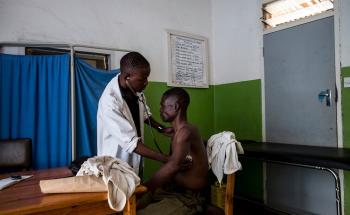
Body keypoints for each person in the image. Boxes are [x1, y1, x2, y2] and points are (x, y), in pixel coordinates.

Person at [97, 52, 173, 175]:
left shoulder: (136, 90)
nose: (146, 82)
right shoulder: (110, 102)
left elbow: (144, 114)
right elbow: (131, 143)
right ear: (127, 77)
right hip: (117, 163)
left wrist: (161, 128)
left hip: (135, 159)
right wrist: (167, 159)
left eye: (147, 77)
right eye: (142, 79)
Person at [137, 87, 209, 215]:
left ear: (175, 107)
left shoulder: (185, 132)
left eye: (163, 106)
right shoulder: (179, 131)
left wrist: (143, 188)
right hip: (169, 190)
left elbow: (172, 166)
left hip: (187, 197)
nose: (160, 109)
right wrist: (161, 128)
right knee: (126, 207)